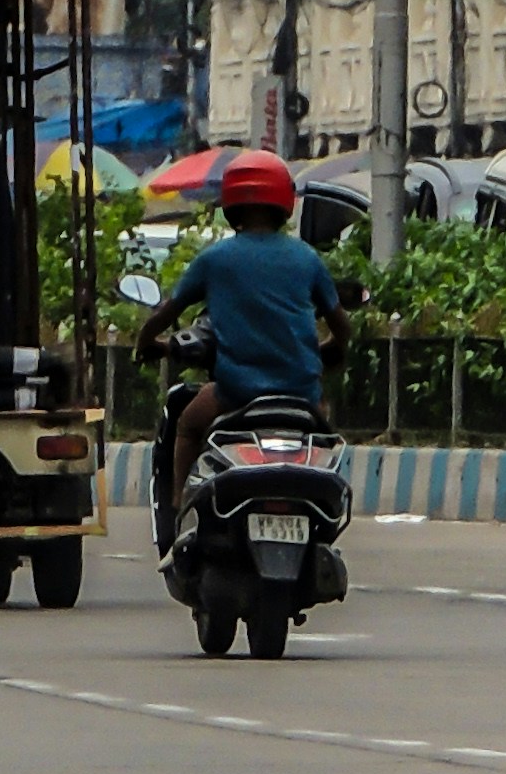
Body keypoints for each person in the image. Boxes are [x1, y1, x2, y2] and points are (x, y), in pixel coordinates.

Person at [134, 152, 348, 517]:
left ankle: (178, 507)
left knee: (187, 425)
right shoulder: (306, 258)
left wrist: (146, 343)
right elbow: (342, 327)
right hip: (302, 394)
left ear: (231, 205)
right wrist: (329, 350)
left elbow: (167, 311)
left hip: (235, 393)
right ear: (284, 202)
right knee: (324, 435)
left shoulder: (215, 259)